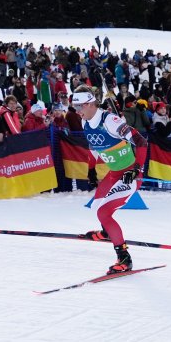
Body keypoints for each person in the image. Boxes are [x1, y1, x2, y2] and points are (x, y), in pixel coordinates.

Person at [71, 88, 148, 274]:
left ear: (89, 104)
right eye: (74, 106)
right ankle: (107, 233)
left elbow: (141, 141)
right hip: (114, 174)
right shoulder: (85, 121)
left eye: (78, 106)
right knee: (97, 207)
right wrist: (91, 170)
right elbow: (93, 146)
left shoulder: (110, 121)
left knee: (104, 213)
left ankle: (124, 257)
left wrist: (137, 169)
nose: (76, 111)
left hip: (129, 174)